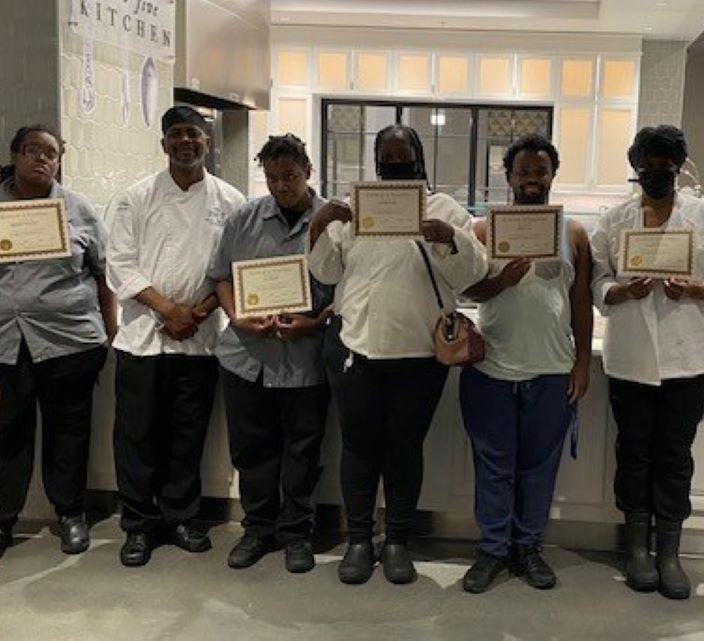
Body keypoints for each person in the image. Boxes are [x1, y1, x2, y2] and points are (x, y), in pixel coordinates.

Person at [308, 124, 488, 585]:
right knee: (358, 447)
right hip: (356, 349)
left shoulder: (445, 208)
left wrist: (448, 237)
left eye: (402, 158)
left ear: (418, 159)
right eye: (386, 161)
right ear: (376, 163)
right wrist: (319, 224)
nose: (394, 167)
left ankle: (397, 541)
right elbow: (326, 269)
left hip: (420, 355)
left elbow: (471, 274)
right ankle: (360, 540)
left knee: (405, 448)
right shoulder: (355, 208)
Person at [0, 124, 114, 562]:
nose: (42, 159)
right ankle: (1, 522)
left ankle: (70, 513)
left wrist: (110, 329)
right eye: (33, 150)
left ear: (59, 160)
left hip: (70, 340)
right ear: (15, 154)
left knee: (68, 431)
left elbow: (103, 271)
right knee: (4, 434)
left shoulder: (78, 208)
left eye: (51, 153)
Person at [590, 125, 704, 599]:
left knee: (675, 457)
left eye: (666, 162)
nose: (657, 170)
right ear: (635, 165)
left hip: (688, 358)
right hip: (630, 357)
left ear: (678, 166)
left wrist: (697, 288)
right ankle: (636, 549)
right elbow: (596, 277)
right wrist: (620, 290)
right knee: (634, 453)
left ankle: (670, 553)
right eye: (648, 162)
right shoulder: (615, 219)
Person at [106, 106, 247, 567]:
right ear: (164, 143)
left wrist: (197, 313)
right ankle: (138, 526)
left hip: (200, 338)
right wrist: (168, 309)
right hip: (143, 336)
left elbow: (233, 269)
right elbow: (120, 264)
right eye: (177, 135)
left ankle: (181, 517)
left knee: (188, 435)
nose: (186, 142)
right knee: (137, 435)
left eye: (195, 134)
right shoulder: (136, 197)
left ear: (208, 142)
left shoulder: (230, 200)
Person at [457, 135, 593, 593]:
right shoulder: (482, 230)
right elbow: (467, 293)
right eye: (523, 172)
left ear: (552, 174)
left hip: (552, 368)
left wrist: (582, 366)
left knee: (539, 466)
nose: (532, 179)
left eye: (540, 171)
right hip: (491, 368)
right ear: (508, 177)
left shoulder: (573, 233)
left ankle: (528, 547)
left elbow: (581, 302)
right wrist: (501, 282)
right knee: (493, 464)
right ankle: (493, 549)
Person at [207, 134, 333, 573]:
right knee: (252, 449)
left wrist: (314, 322)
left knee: (303, 450)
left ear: (308, 172)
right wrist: (237, 315)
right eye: (274, 177)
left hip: (306, 360)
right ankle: (258, 528)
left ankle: (297, 532)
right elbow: (220, 276)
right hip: (247, 358)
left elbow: (350, 290)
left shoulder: (332, 221)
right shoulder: (243, 219)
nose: (283, 185)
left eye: (292, 176)